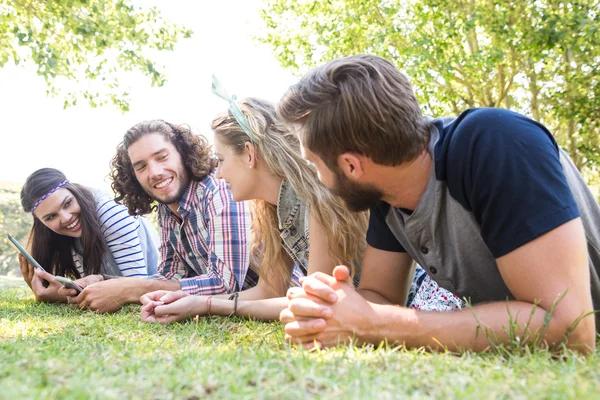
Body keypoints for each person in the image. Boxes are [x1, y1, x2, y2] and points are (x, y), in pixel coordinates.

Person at [277, 54, 600, 354]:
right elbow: (381, 298)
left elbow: (570, 329)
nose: (317, 177)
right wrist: (328, 309)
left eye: (313, 164)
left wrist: (374, 324)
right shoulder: (386, 191)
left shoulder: (496, 142)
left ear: (351, 166)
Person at [139, 97, 461, 324]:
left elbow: (317, 301)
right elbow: (270, 289)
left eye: (222, 161)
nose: (218, 173)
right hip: (369, 310)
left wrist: (210, 306)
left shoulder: (318, 196)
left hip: (419, 303)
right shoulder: (273, 209)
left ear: (250, 154)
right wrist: (195, 303)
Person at [60, 120, 256, 313]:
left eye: (162, 157)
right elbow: (171, 276)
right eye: (141, 167)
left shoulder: (218, 191)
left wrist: (129, 291)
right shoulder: (166, 208)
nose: (155, 172)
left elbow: (226, 284)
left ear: (183, 154)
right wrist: (104, 281)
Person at [19, 168, 159, 303]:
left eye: (68, 203)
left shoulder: (110, 214)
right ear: (42, 224)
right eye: (51, 217)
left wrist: (59, 295)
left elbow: (138, 288)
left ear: (74, 192)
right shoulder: (68, 234)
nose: (66, 218)